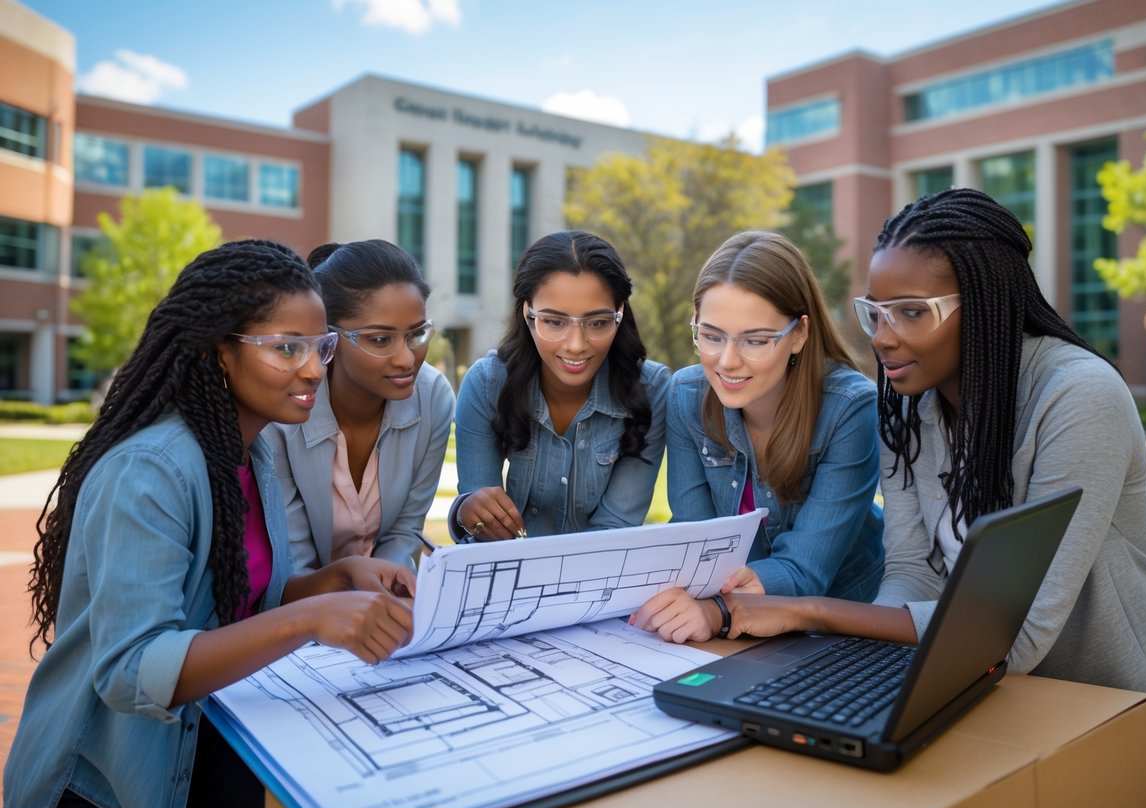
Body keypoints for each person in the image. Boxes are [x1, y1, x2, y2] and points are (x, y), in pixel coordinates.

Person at [700, 189, 1146, 808]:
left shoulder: (1078, 397)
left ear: (987, 304)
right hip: (1011, 714)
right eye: (875, 313)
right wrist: (860, 676)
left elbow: (1015, 636)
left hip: (1143, 720)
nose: (884, 339)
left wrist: (809, 610)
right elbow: (913, 569)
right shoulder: (909, 408)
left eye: (912, 312)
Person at [4, 240, 415, 808]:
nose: (312, 369)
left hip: (202, 745)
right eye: (285, 348)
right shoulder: (149, 471)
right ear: (217, 351)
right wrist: (308, 621)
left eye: (319, 347)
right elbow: (133, 668)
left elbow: (232, 604)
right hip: (100, 791)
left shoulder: (251, 453)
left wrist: (331, 583)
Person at [630, 230, 884, 644]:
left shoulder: (850, 408)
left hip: (848, 619)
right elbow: (696, 540)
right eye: (711, 336)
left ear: (799, 334)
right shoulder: (687, 395)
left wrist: (715, 609)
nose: (727, 362)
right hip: (737, 621)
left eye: (756, 340)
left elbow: (806, 571)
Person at [451, 230, 670, 541]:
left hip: (603, 576)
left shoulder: (652, 389)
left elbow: (616, 528)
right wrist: (468, 512)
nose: (576, 345)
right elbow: (481, 530)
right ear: (528, 314)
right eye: (554, 321)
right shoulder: (486, 384)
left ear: (619, 313)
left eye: (597, 322)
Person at [266, 239, 454, 571]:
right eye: (380, 340)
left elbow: (404, 532)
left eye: (417, 335)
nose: (406, 359)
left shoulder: (433, 397)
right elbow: (291, 558)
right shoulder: (283, 411)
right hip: (293, 608)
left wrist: (386, 588)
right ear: (329, 338)